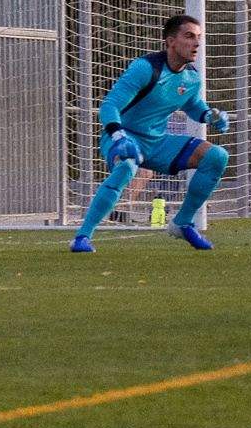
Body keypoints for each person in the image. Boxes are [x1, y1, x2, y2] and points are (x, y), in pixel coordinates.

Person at [70, 13, 231, 252]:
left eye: (199, 37)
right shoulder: (145, 68)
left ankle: (182, 223)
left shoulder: (192, 77)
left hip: (157, 143)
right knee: (126, 167)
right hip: (123, 137)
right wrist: (118, 135)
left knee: (217, 156)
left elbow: (192, 105)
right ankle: (82, 237)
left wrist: (210, 116)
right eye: (189, 36)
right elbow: (110, 105)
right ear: (170, 42)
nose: (196, 43)